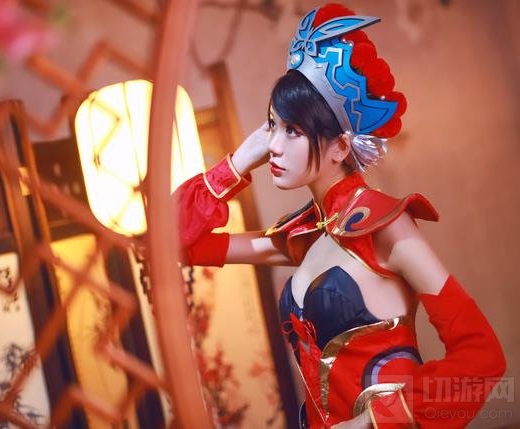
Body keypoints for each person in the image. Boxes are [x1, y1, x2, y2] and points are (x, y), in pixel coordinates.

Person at [174, 3, 506, 428]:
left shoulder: (386, 226)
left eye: (292, 131)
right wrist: (238, 161)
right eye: (272, 125)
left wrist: (369, 422)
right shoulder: (304, 236)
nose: (273, 145)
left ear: (341, 147)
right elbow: (175, 242)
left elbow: (482, 357)